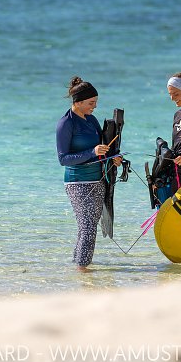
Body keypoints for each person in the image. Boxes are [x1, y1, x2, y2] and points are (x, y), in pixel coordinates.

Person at [56, 76, 121, 269]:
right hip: (77, 182)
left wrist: (113, 158)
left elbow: (103, 150)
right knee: (88, 227)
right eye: (91, 103)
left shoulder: (91, 120)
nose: (94, 106)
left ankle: (79, 264)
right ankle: (83, 271)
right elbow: (63, 159)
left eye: (96, 102)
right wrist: (92, 152)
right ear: (78, 102)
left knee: (88, 226)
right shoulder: (66, 124)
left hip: (98, 179)